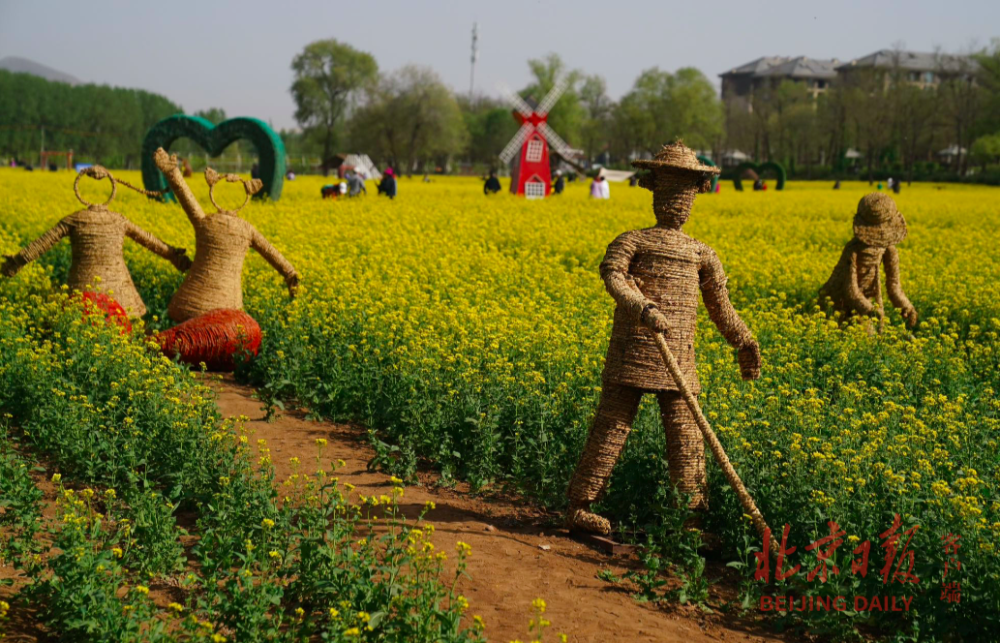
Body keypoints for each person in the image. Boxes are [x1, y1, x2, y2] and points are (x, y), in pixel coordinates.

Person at [566, 141, 761, 535]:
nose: (678, 200)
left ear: (695, 195)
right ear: (654, 189)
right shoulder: (632, 241)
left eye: (686, 191)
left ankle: (691, 519)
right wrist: (642, 307)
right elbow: (614, 276)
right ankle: (580, 505)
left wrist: (744, 340)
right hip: (633, 352)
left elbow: (721, 308)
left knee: (687, 436)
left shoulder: (702, 254)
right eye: (672, 189)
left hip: (679, 361)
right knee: (611, 427)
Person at [1, 165, 191, 318]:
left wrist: (16, 262)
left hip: (81, 288)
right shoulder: (118, 220)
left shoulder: (74, 220)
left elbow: (41, 244)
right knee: (122, 322)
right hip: (119, 292)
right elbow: (149, 241)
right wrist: (173, 256)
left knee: (80, 319)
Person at [819, 193, 917, 330]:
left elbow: (894, 285)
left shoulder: (889, 249)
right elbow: (850, 288)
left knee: (876, 334)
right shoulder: (853, 249)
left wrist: (906, 306)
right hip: (838, 301)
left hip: (868, 299)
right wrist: (868, 309)